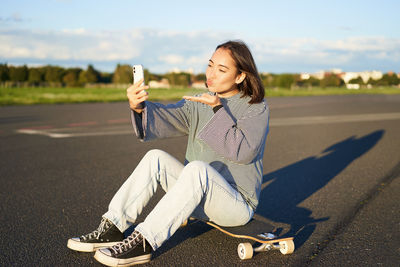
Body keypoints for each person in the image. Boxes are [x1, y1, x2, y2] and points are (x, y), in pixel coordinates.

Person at [67, 40, 270, 266]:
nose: (211, 73)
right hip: (197, 197)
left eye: (221, 70)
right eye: (210, 65)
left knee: (196, 169)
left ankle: (143, 241)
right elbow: (166, 116)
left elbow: (243, 152)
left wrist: (217, 109)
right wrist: (138, 107)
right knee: (155, 157)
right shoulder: (200, 101)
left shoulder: (256, 107)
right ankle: (113, 228)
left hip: (236, 205)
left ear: (240, 76)